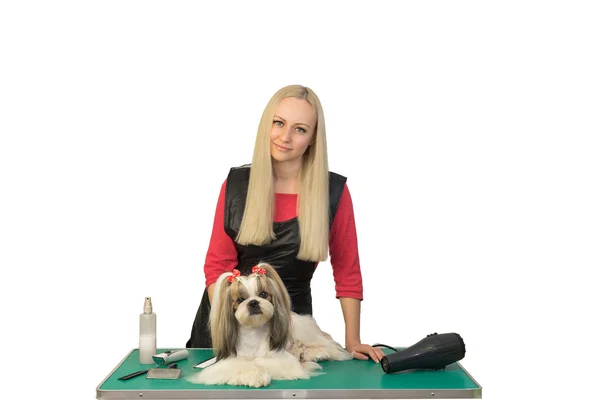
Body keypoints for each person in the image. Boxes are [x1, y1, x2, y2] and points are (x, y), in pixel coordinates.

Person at [186, 84, 384, 363]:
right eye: (279, 123)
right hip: (228, 326)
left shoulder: (333, 192)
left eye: (300, 129)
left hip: (292, 331)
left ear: (313, 138)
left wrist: (353, 341)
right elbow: (217, 266)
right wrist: (232, 326)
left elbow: (347, 271)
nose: (285, 137)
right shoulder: (235, 186)